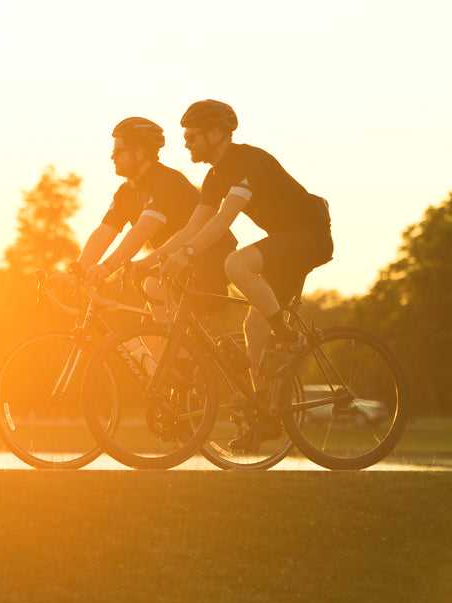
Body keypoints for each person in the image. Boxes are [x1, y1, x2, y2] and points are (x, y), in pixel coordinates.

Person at [159, 100, 333, 449]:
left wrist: (190, 253)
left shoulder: (249, 161)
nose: (187, 143)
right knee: (253, 326)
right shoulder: (214, 175)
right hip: (285, 243)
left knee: (236, 263)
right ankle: (266, 415)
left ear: (216, 134)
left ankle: (288, 338)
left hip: (310, 238)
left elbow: (224, 218)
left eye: (192, 136)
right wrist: (160, 259)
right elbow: (194, 226)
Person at [69, 117, 236, 315]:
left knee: (153, 290)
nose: (112, 157)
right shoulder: (126, 192)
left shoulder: (166, 181)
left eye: (118, 151)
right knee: (148, 332)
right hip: (173, 263)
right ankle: (174, 345)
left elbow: (144, 229)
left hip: (209, 259)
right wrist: (78, 270)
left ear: (139, 152)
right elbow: (104, 231)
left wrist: (107, 267)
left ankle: (177, 345)